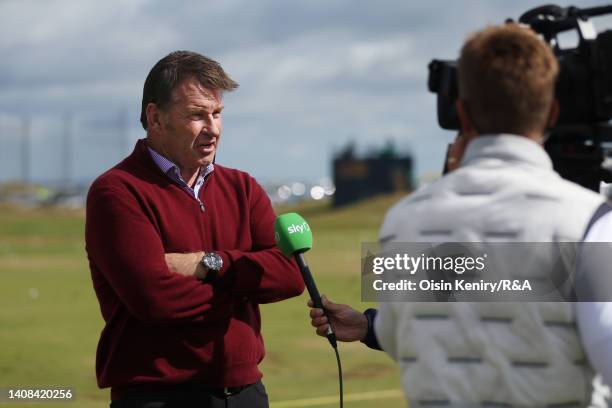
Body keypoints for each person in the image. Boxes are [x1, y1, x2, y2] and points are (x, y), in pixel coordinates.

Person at [310, 24, 610, 406]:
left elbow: (410, 333)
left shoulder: (400, 222)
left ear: (462, 114)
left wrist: (368, 325)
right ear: (551, 112)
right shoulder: (589, 221)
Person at [85, 50, 304, 408]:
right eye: (197, 115)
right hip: (159, 397)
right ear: (155, 118)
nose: (213, 128)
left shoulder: (243, 187)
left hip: (246, 393)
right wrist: (245, 285)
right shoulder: (117, 191)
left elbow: (291, 275)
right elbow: (155, 300)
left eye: (217, 114)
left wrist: (208, 263)